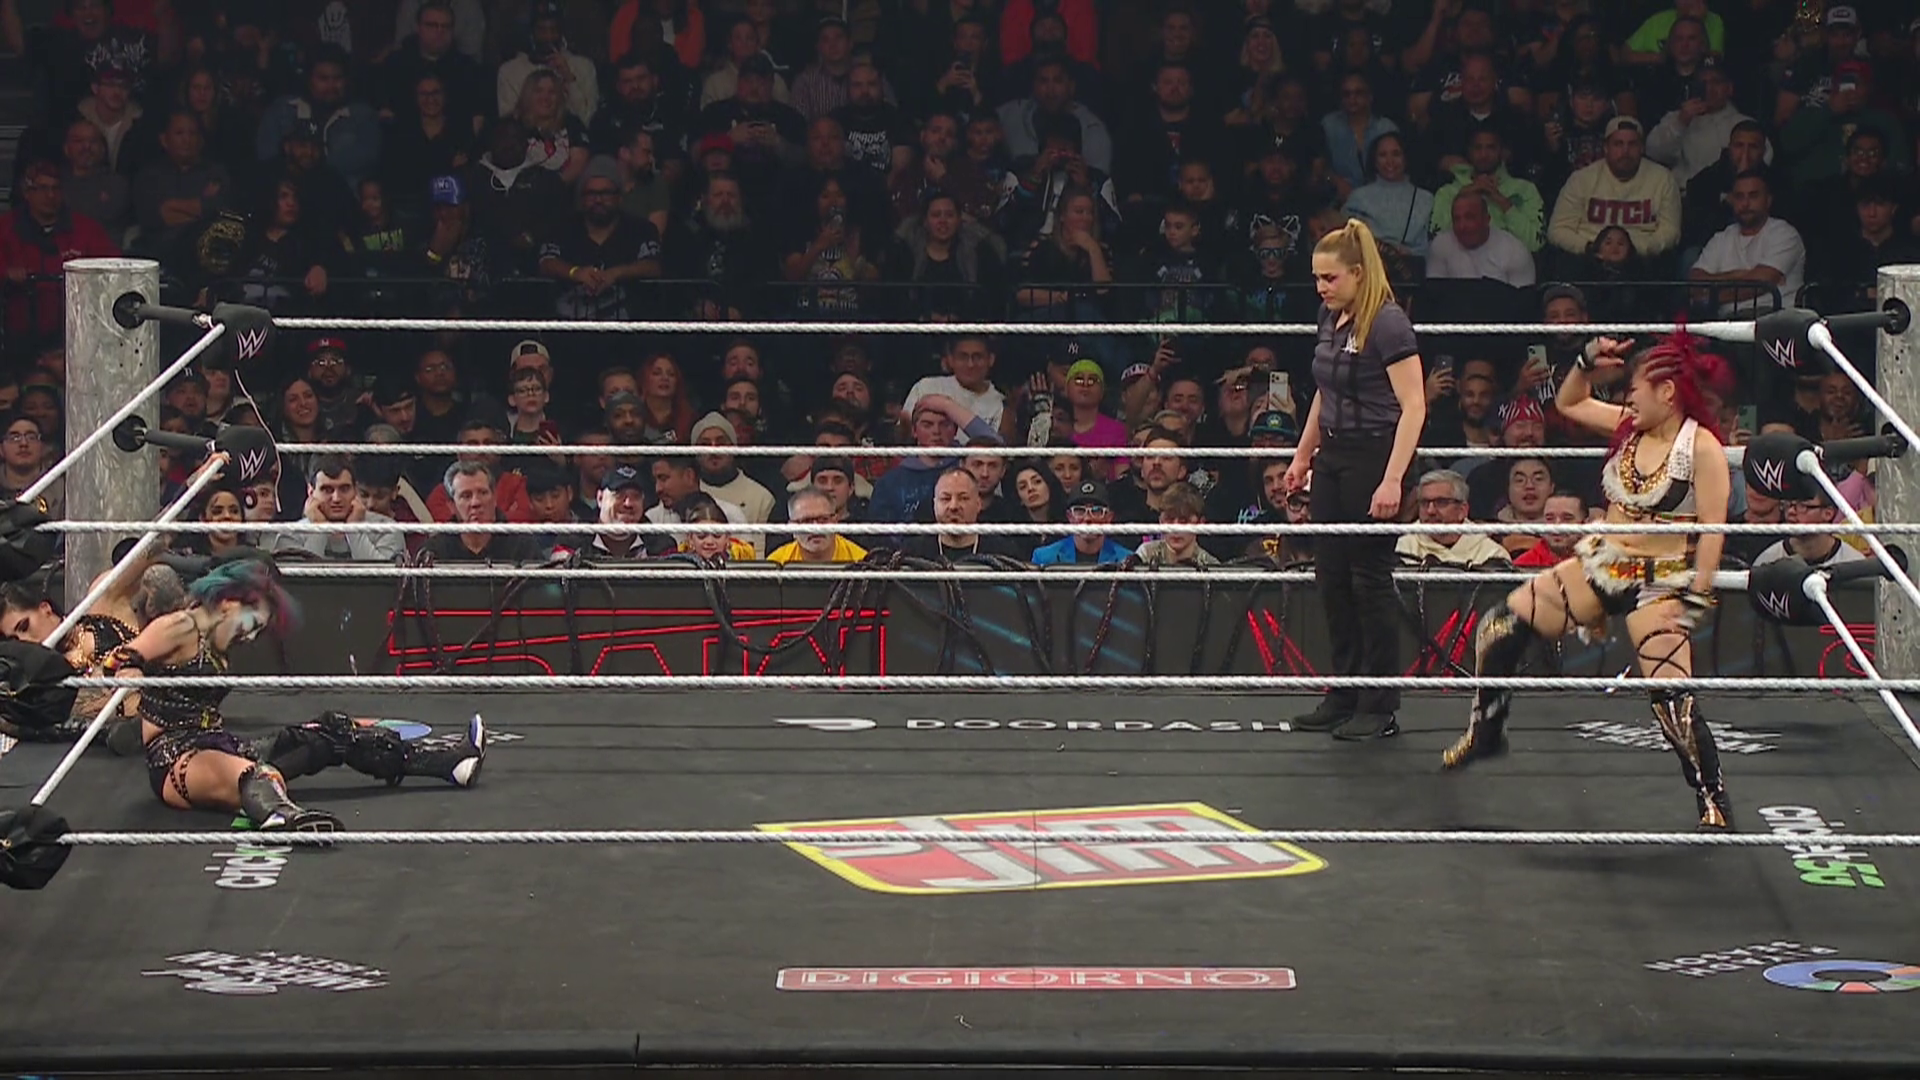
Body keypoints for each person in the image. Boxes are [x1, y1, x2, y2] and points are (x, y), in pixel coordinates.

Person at [1441, 335, 1734, 828]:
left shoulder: (1699, 447)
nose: (1628, 398)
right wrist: (1584, 360)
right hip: (1605, 564)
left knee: (1672, 699)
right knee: (1500, 626)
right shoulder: (1629, 427)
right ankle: (1486, 729)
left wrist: (1697, 596)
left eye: (1635, 389)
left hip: (1661, 580)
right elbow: (1570, 402)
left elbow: (1712, 528)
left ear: (1667, 392)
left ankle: (1713, 798)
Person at [100, 556, 488, 833]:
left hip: (215, 742)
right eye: (253, 622)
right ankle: (282, 817)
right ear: (230, 603)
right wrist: (131, 676)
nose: (252, 635)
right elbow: (120, 659)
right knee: (255, 776)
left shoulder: (218, 639)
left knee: (332, 732)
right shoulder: (180, 627)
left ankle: (447, 762)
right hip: (175, 760)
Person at [1285, 219, 1428, 741]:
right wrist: (1303, 456)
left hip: (1375, 452)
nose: (1321, 287)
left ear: (1358, 273)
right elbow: (1325, 392)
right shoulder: (1330, 316)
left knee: (1369, 580)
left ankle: (1379, 703)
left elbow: (1414, 405)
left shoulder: (1388, 323)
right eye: (1317, 278)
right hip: (1334, 454)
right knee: (1331, 575)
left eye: (1330, 278)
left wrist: (1393, 479)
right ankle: (1343, 693)